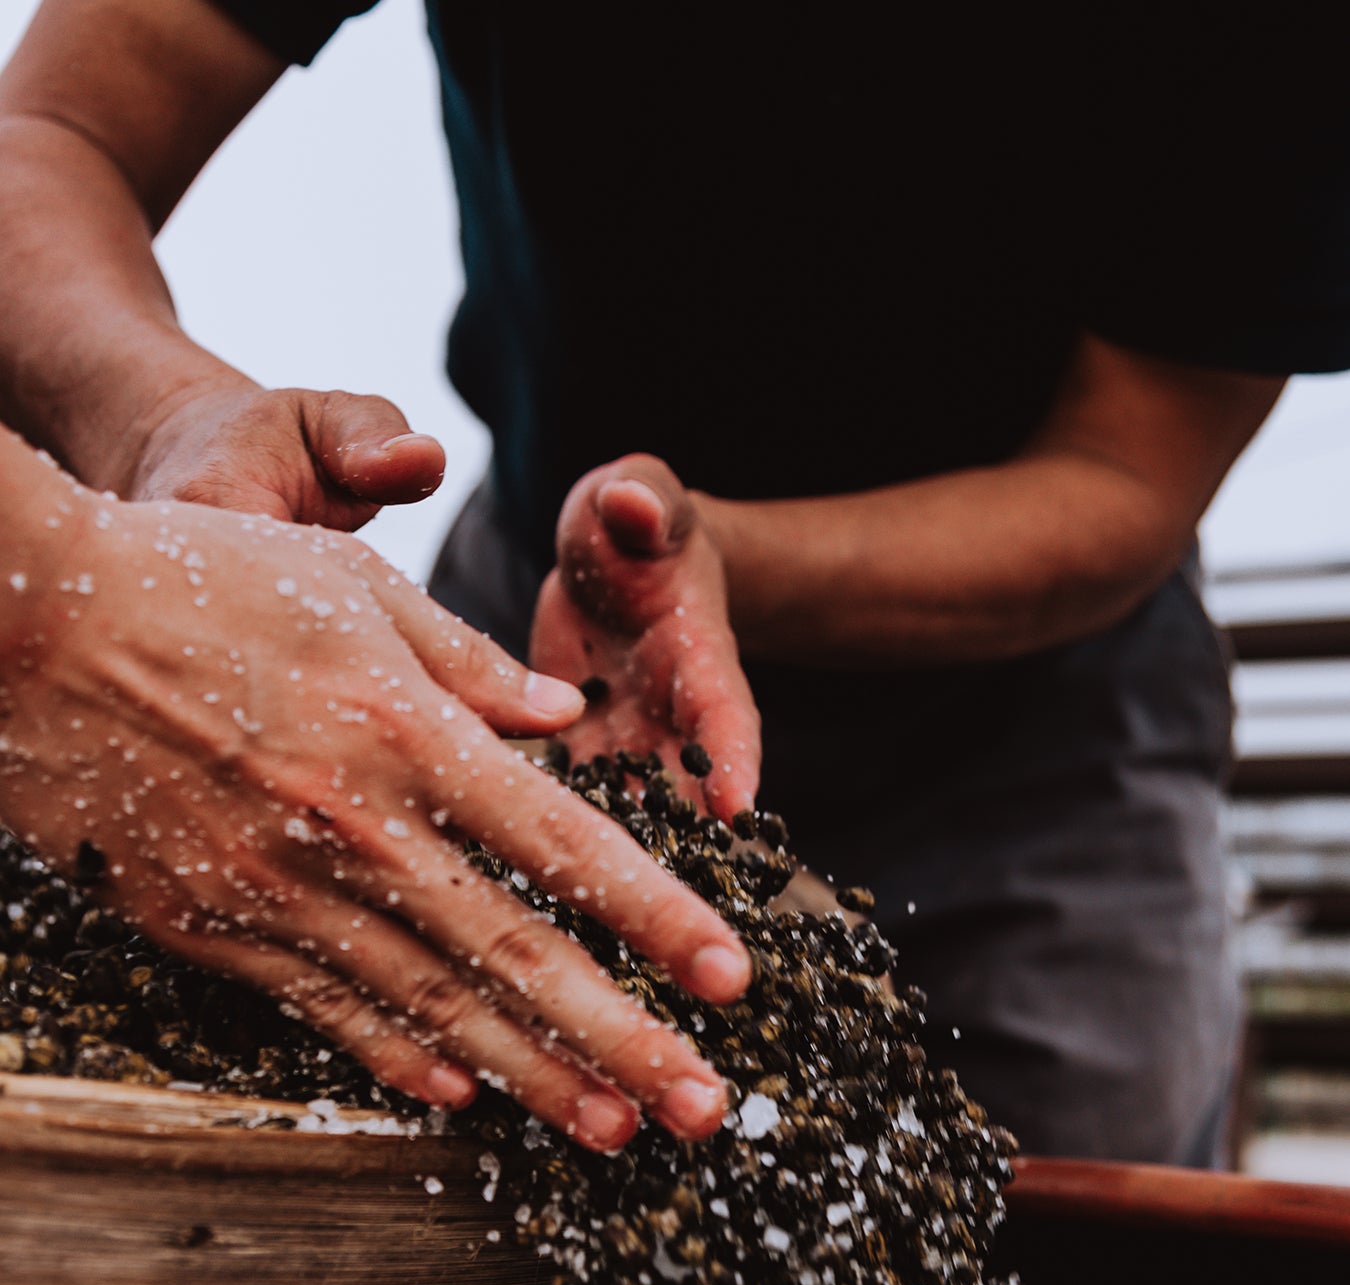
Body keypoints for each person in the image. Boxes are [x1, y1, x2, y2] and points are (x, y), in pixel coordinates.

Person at [2, 2, 1348, 1164]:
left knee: (1053, 1269)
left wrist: (712, 554)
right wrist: (160, 417)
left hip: (1029, 709)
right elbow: (53, 137)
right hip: (537, 628)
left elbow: (1124, 473)